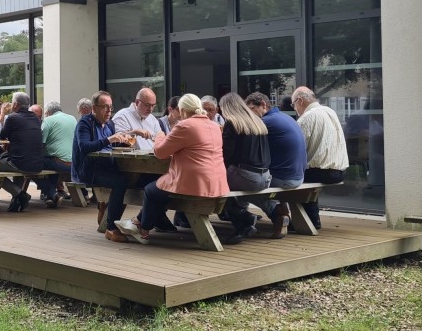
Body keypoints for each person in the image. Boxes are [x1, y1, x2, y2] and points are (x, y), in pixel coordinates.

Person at [115, 94, 229, 244]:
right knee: (161, 189)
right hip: (218, 182)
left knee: (151, 190)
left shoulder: (185, 125)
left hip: (196, 183)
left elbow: (160, 153)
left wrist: (160, 135)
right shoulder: (215, 126)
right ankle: (138, 222)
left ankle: (143, 229)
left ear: (182, 110)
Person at [71, 90, 135, 243]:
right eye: (105, 107)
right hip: (87, 170)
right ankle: (111, 228)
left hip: (106, 166)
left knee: (133, 177)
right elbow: (84, 146)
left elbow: (110, 145)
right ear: (94, 108)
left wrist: (121, 141)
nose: (109, 111)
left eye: (111, 107)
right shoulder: (85, 123)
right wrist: (109, 139)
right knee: (120, 181)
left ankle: (111, 212)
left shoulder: (109, 124)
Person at [244, 92, 307, 239]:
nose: (250, 114)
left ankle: (277, 214)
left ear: (264, 105)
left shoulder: (266, 122)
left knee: (245, 185)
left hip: (285, 178)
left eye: (252, 109)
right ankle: (281, 211)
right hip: (298, 175)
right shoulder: (285, 117)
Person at [291, 86, 349, 229]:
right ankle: (313, 219)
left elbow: (295, 150)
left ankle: (304, 220)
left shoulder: (306, 118)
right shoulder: (330, 111)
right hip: (340, 172)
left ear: (300, 100)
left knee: (289, 177)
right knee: (306, 173)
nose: (294, 109)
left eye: (293, 105)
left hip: (322, 171)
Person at [218, 92, 272, 245]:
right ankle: (243, 223)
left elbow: (226, 155)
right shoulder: (257, 121)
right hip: (266, 177)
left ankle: (245, 218)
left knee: (211, 184)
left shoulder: (232, 123)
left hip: (247, 177)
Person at [0, 91, 44, 212]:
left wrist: (2, 114)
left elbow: (1, 135)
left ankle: (20, 194)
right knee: (17, 161)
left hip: (21, 162)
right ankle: (16, 202)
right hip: (37, 162)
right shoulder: (35, 117)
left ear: (15, 104)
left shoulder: (12, 117)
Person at [40, 100, 77, 208]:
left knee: (32, 166)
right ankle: (50, 198)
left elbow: (40, 143)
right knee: (51, 161)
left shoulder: (48, 120)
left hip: (59, 162)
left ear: (48, 112)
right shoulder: (72, 118)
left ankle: (51, 194)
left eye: (45, 114)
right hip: (73, 163)